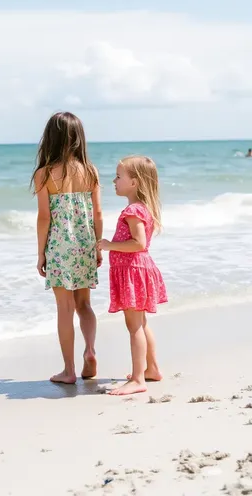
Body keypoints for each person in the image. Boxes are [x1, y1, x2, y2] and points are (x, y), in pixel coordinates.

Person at [32, 112, 103, 384]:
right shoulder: (90, 171)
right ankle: (91, 350)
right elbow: (97, 213)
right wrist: (97, 245)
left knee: (64, 308)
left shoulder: (45, 173)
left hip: (60, 246)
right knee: (84, 304)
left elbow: (44, 217)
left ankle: (69, 370)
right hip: (85, 242)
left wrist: (41, 253)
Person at [98, 155, 167, 396]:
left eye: (118, 177)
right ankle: (152, 368)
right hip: (137, 270)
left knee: (134, 326)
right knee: (142, 323)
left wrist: (108, 245)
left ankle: (138, 378)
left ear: (134, 182)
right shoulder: (140, 208)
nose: (114, 180)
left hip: (133, 271)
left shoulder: (132, 210)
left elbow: (139, 243)